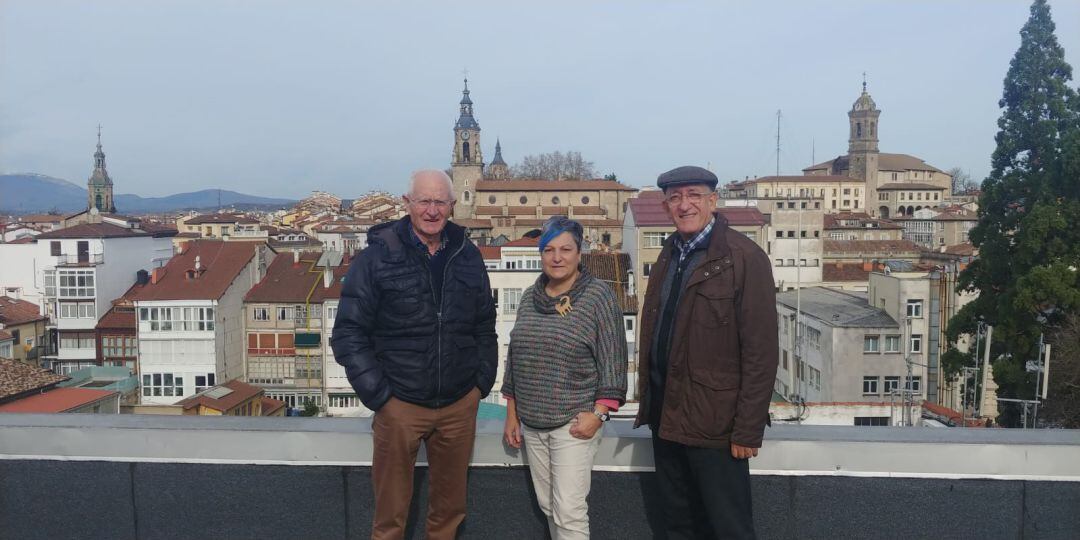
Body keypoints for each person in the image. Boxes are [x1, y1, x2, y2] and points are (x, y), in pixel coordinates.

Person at [331, 169, 497, 540]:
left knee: (449, 515)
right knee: (390, 519)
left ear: (452, 206)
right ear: (407, 203)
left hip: (458, 403)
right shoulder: (377, 258)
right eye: (424, 200)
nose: (432, 210)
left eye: (440, 201)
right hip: (399, 404)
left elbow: (485, 324)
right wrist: (381, 397)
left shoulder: (467, 255)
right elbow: (347, 333)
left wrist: (479, 386)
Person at [633, 166, 778, 539]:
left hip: (717, 425)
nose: (684, 205)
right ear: (666, 206)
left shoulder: (745, 258)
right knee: (677, 526)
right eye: (675, 198)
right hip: (667, 417)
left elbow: (761, 353)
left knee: (727, 527)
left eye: (694, 195)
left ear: (713, 201)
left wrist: (747, 430)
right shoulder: (668, 253)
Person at [502, 216, 628, 540]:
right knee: (549, 508)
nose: (557, 258)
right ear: (541, 254)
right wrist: (511, 414)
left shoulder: (598, 296)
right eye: (549, 250)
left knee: (569, 511)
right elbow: (516, 355)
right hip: (532, 423)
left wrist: (598, 415)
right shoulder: (530, 296)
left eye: (566, 249)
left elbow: (614, 361)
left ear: (579, 253)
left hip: (573, 423)